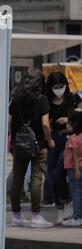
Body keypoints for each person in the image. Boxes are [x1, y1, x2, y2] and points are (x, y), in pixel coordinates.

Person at [9, 70, 55, 228]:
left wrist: (12, 140)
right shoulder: (42, 100)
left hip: (19, 144)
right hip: (38, 145)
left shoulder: (15, 99)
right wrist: (50, 141)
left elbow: (10, 121)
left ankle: (16, 216)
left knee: (17, 179)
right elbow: (45, 124)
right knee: (36, 179)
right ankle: (35, 216)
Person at [45, 72, 81, 223]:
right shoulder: (46, 100)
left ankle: (70, 203)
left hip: (71, 139)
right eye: (55, 87)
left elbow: (81, 115)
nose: (58, 89)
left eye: (61, 86)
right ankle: (61, 205)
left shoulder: (73, 98)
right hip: (53, 139)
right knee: (52, 174)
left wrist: (69, 118)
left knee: (63, 172)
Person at [62, 110, 82, 227]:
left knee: (76, 193)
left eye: (69, 121)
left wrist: (76, 170)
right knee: (80, 192)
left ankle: (77, 217)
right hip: (80, 167)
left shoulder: (73, 138)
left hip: (74, 168)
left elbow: (74, 155)